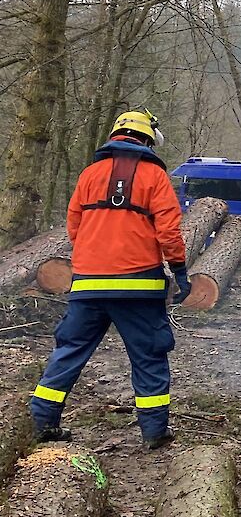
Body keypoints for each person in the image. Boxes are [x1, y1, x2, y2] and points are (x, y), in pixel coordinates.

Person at [29, 110, 192, 450]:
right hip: (139, 289)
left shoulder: (89, 174)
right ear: (147, 140)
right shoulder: (154, 177)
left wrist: (96, 256)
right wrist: (179, 270)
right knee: (149, 356)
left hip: (88, 284)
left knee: (69, 350)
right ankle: (154, 433)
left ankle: (43, 421)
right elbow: (168, 231)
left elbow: (75, 227)